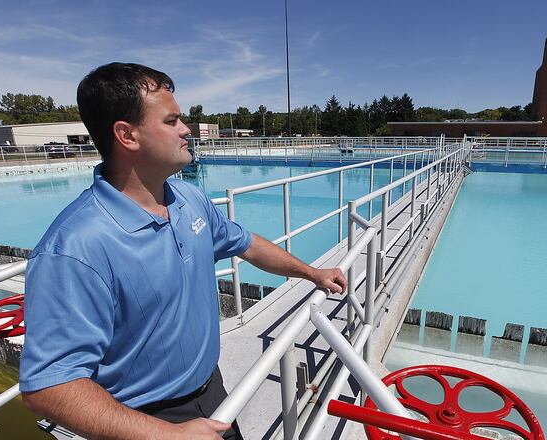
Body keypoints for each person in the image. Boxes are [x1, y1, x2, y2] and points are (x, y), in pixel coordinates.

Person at [19, 62, 347, 440]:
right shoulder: (74, 248)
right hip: (140, 422)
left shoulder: (188, 199)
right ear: (127, 135)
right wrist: (165, 434)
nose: (186, 129)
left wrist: (312, 273)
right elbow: (49, 386)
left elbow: (246, 243)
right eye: (172, 121)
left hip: (212, 393)